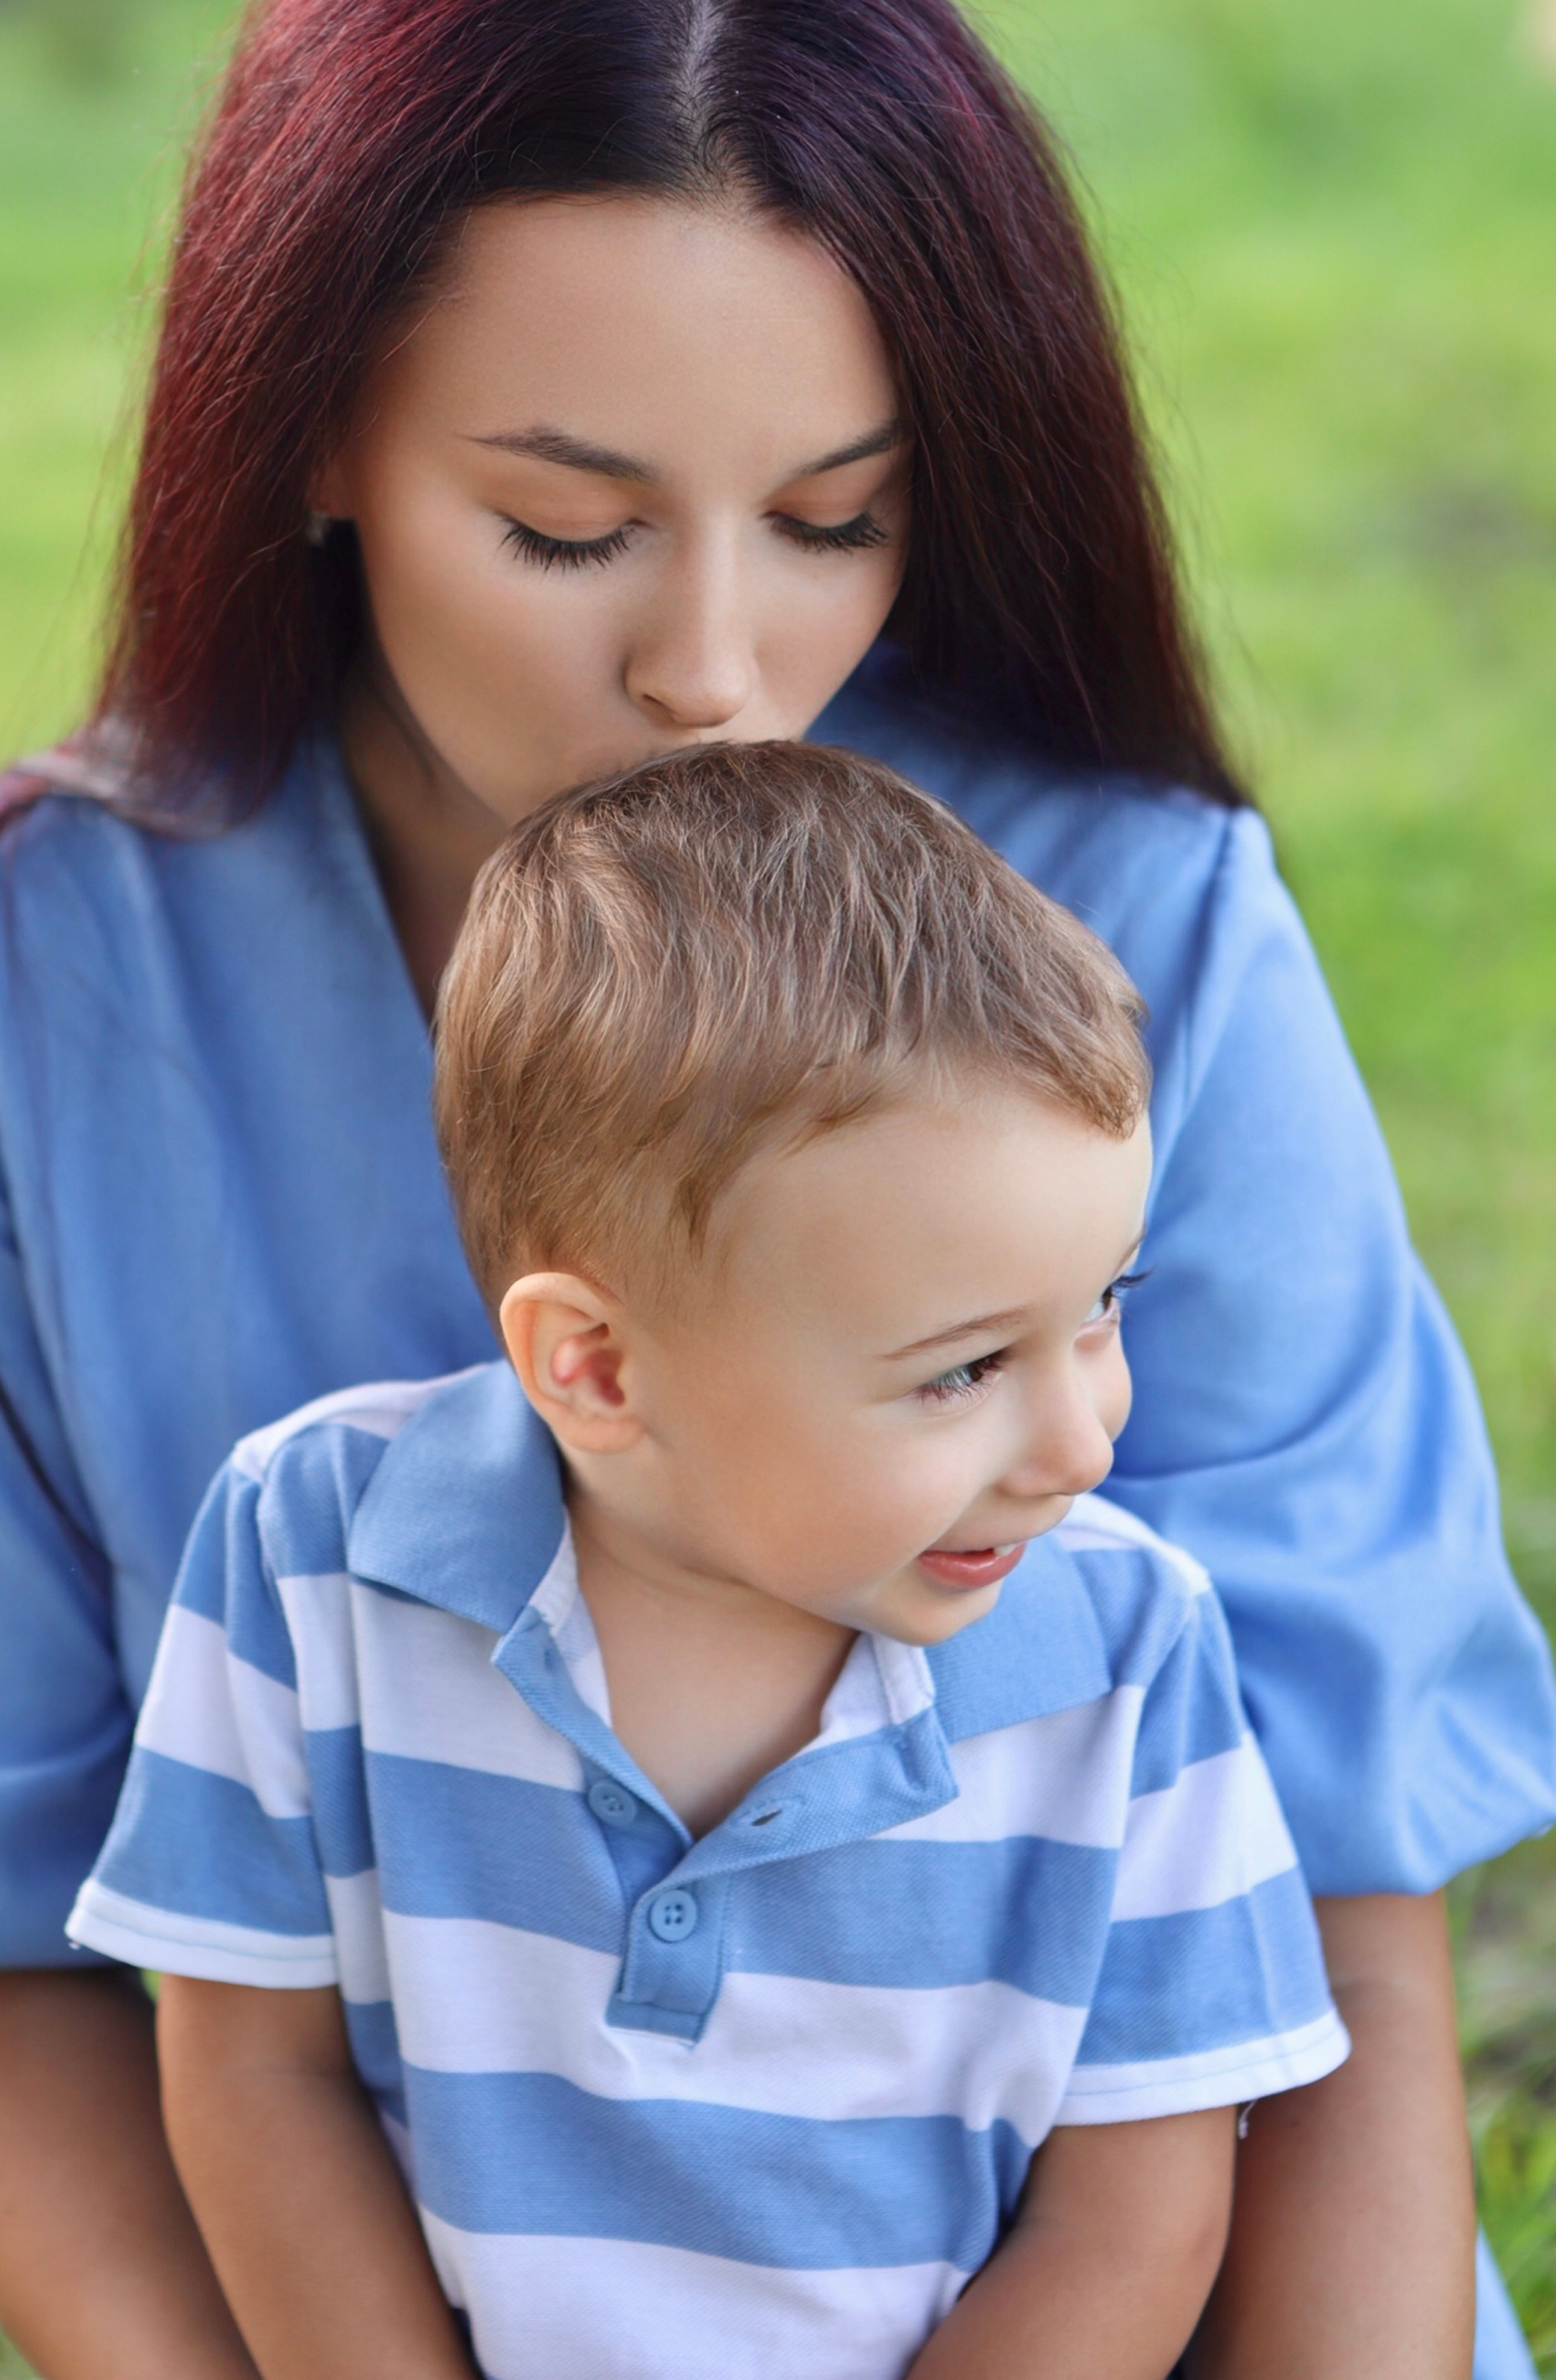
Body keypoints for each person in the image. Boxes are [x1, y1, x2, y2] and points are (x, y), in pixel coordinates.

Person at [0, 0, 1549, 2380]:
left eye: (838, 518)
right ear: (315, 441)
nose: (719, 664)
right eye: (570, 532)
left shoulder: (1124, 922)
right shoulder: (29, 986)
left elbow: (1340, 1940)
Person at [69, 741, 1353, 2380]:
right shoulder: (312, 1549)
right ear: (595, 1369)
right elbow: (254, 2074)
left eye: (1100, 1306)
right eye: (961, 1369)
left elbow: (1138, 2203)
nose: (1080, 1445)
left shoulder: (1122, 1650)